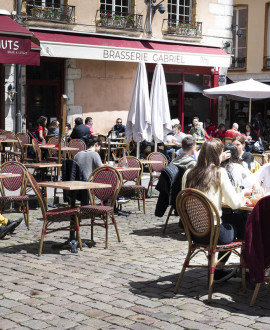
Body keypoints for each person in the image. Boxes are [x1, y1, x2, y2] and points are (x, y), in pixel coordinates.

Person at [182, 139, 246, 282]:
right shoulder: (219, 172)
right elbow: (235, 204)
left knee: (233, 221)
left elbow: (184, 201)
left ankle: (221, 268)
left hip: (194, 232)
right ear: (218, 154)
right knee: (242, 222)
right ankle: (236, 268)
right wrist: (243, 195)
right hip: (215, 235)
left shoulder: (188, 173)